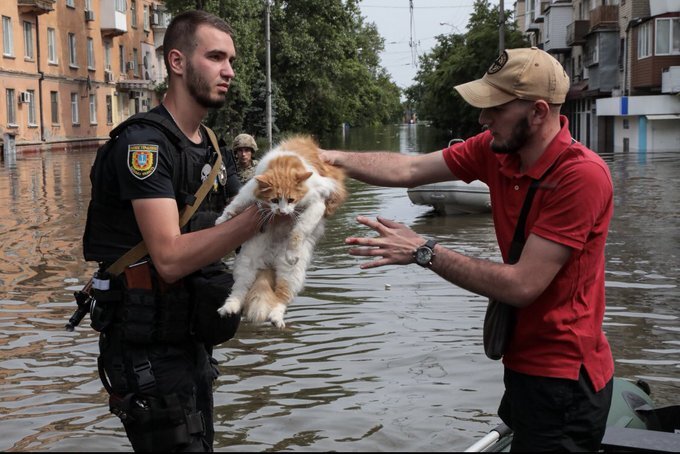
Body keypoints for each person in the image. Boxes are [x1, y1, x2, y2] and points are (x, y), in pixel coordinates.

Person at [321, 47, 614, 452]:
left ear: (539, 112)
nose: (482, 119)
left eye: (494, 108)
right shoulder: (496, 151)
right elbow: (408, 169)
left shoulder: (581, 177)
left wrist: (425, 250)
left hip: (564, 379)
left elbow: (522, 286)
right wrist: (324, 158)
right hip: (522, 364)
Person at [81, 10, 264, 452]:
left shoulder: (213, 148)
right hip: (145, 350)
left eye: (232, 60)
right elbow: (168, 257)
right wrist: (265, 216)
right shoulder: (143, 146)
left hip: (190, 341)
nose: (229, 71)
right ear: (177, 62)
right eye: (216, 57)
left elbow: (244, 221)